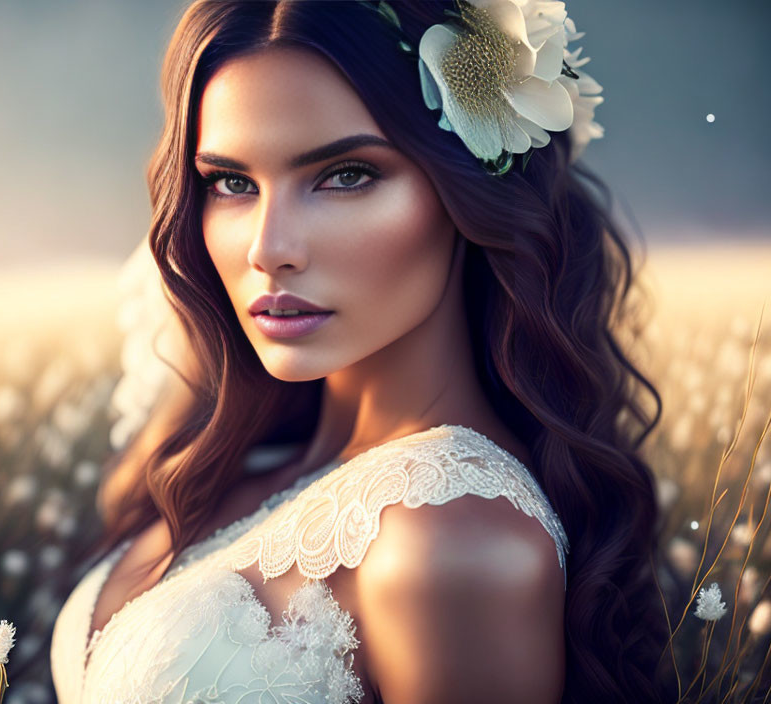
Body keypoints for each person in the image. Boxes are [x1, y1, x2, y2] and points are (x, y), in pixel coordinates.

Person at [50, 1, 673, 702]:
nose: (268, 249)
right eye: (232, 183)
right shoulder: (245, 454)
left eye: (345, 175)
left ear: (469, 189)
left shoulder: (456, 543)